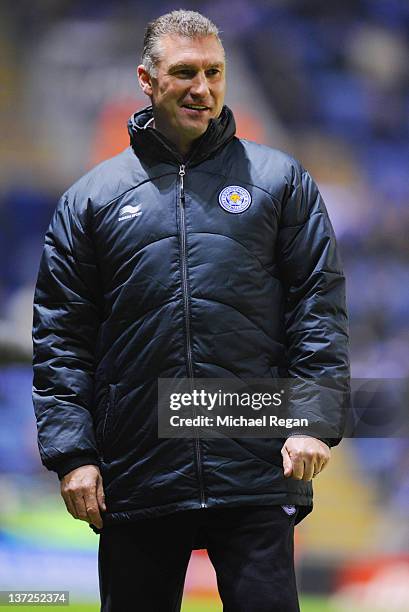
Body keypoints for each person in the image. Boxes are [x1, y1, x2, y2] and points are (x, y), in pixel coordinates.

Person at [32, 9, 349, 612]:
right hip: (138, 466)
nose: (202, 88)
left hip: (255, 461)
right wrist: (73, 455)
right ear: (147, 81)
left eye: (214, 72)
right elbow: (62, 336)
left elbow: (319, 307)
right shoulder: (90, 200)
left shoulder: (281, 182)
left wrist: (311, 418)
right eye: (184, 72)